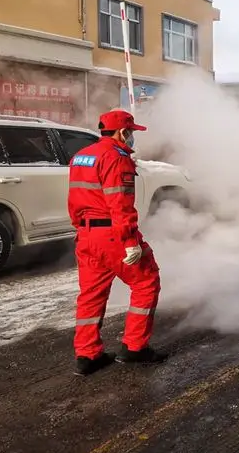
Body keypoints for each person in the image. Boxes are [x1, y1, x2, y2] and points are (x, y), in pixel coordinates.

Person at [68, 109, 167, 376]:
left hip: (87, 236)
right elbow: (120, 205)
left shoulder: (81, 157)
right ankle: (135, 348)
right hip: (113, 234)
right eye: (132, 132)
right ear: (123, 132)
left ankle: (87, 355)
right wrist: (130, 242)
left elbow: (74, 202)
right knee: (146, 281)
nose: (132, 137)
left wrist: (81, 228)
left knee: (90, 295)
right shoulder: (117, 158)